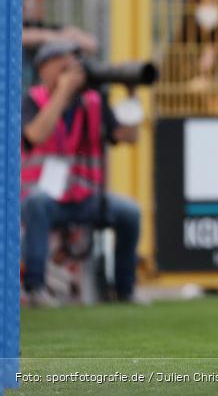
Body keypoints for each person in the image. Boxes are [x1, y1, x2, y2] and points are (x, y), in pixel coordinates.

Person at [20, 41, 142, 307]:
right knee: (35, 205)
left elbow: (129, 137)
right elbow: (34, 135)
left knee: (130, 212)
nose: (72, 69)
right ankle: (35, 288)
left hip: (86, 198)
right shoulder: (32, 100)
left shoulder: (93, 102)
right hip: (47, 198)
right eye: (62, 63)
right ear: (44, 68)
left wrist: (132, 96)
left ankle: (125, 290)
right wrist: (62, 93)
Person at [21, 0, 98, 90]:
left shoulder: (40, 26)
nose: (28, 3)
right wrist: (48, 37)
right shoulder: (15, 31)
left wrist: (70, 36)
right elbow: (21, 37)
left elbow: (91, 44)